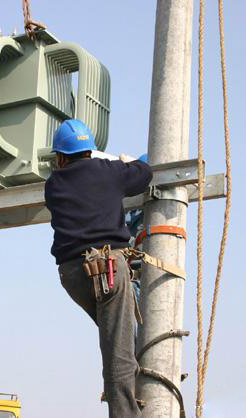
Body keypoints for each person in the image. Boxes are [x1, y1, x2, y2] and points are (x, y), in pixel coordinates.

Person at [44, 119, 152, 418]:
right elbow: (144, 174)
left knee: (118, 339)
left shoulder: (53, 185)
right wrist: (130, 163)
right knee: (118, 351)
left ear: (60, 157)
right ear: (90, 151)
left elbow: (83, 185)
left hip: (73, 276)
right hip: (107, 268)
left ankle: (130, 389)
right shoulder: (109, 172)